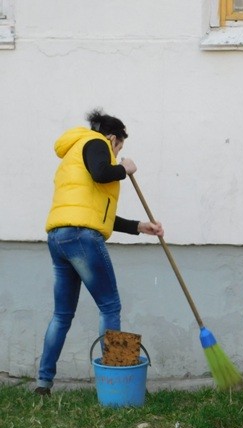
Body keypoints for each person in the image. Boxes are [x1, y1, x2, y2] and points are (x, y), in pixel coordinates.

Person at [34, 109, 163, 396]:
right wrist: (125, 169)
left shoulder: (73, 154)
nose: (116, 155)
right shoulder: (95, 143)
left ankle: (43, 384)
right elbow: (103, 173)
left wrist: (140, 227)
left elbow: (94, 213)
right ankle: (115, 384)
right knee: (110, 306)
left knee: (62, 315)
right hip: (81, 237)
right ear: (113, 138)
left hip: (60, 237)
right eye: (119, 149)